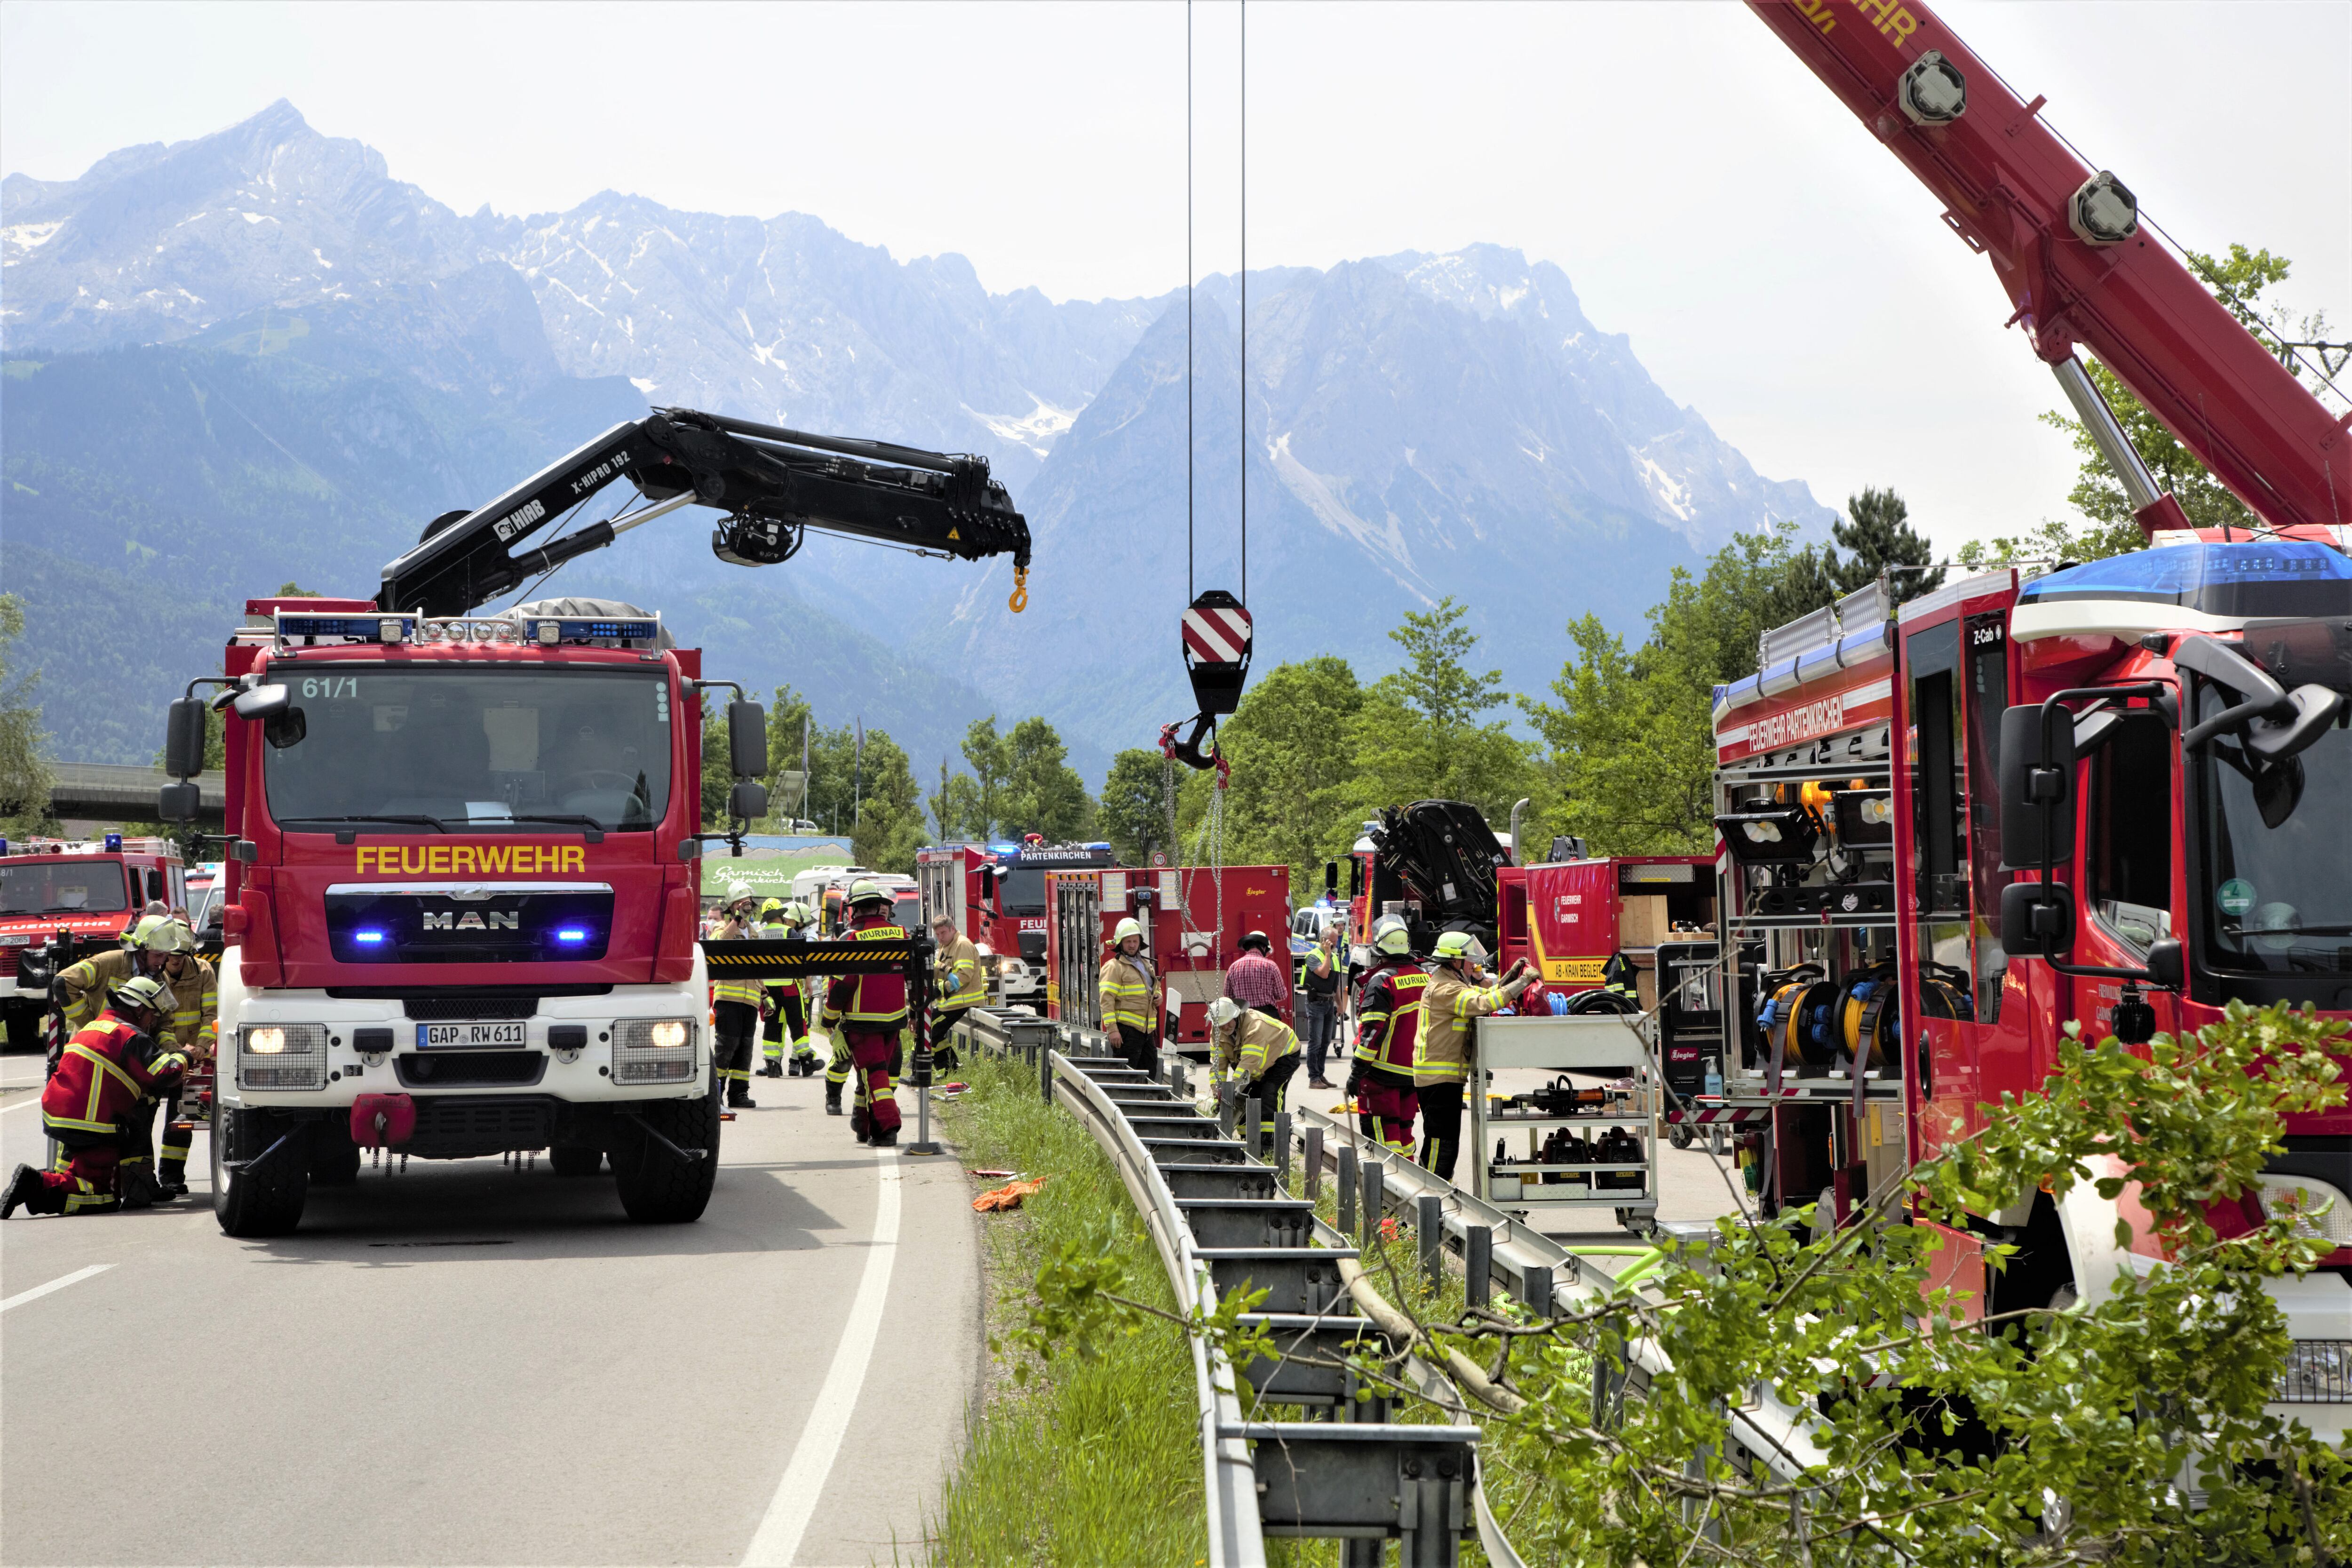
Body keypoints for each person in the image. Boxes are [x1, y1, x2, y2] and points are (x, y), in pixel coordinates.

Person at [5, 975, 185, 1218]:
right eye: (152, 1013)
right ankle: (37, 1183)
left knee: (79, 1174)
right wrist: (186, 1056)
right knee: (104, 1197)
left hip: (61, 1114)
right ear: (139, 1009)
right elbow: (164, 1072)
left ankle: (42, 1185)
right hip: (90, 1123)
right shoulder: (130, 1036)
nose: (152, 1020)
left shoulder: (94, 1026)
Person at [1415, 930, 1532, 1182]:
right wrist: (1523, 983)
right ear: (1454, 961)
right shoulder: (1446, 989)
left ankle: (1436, 1191)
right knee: (1441, 1144)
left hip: (1442, 1078)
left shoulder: (1452, 982)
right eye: (1469, 959)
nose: (1474, 965)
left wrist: (1511, 978)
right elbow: (1482, 1004)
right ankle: (1430, 1193)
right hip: (1439, 1079)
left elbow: (1482, 995)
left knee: (1445, 1143)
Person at [821, 879, 910, 1146]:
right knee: (869, 1075)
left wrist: (829, 1018)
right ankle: (863, 1125)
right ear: (878, 906)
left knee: (874, 1075)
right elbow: (911, 976)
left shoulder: (852, 938)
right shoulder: (901, 933)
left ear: (855, 909)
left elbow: (841, 985)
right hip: (894, 1020)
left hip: (862, 1022)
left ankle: (887, 1129)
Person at [1348, 914, 1428, 1159]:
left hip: (1382, 1074)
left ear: (1379, 950)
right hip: (1414, 1072)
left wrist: (1357, 1072)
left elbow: (1372, 1032)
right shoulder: (1425, 977)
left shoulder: (1382, 982)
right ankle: (1409, 1177)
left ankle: (1385, 1181)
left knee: (1383, 1135)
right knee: (1405, 1131)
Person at [149, 918, 216, 1197]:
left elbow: (211, 1014)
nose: (174, 960)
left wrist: (201, 1046)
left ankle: (171, 1177)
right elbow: (157, 1021)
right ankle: (142, 1179)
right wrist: (173, 1053)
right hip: (157, 1054)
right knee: (143, 1118)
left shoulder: (203, 971)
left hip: (191, 1058)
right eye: (170, 954)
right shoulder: (153, 974)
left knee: (181, 1119)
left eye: (180, 954)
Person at [1208, 995, 1300, 1143]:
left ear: (1236, 1016)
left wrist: (1230, 1092)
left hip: (1283, 1054)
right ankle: (1248, 1139)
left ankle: (1270, 1142)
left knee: (1270, 1094)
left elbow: (1248, 1065)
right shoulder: (1217, 1031)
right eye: (1220, 1025)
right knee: (1247, 1096)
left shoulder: (1255, 1026)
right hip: (1257, 1062)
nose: (1225, 1028)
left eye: (1227, 1022)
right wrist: (1217, 1093)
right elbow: (1218, 1066)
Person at [708, 883, 762, 1109]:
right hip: (728, 999)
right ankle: (716, 1094)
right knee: (726, 1047)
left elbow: (758, 966)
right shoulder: (721, 927)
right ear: (731, 906)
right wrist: (737, 920)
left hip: (751, 1000)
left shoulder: (753, 932)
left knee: (745, 1049)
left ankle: (739, 1094)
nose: (746, 905)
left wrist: (765, 994)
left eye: (748, 902)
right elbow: (717, 946)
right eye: (741, 902)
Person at [1097, 917, 1160, 1075]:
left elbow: (1153, 988)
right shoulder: (1114, 967)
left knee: (1150, 1074)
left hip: (1146, 1032)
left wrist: (1158, 997)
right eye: (1128, 942)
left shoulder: (1145, 965)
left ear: (1140, 943)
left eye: (1135, 941)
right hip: (1126, 1032)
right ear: (1120, 943)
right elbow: (1106, 1000)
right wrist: (1112, 1030)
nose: (1132, 945)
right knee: (1125, 1078)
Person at [929, 915, 985, 1074]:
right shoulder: (946, 946)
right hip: (952, 1003)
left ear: (953, 929)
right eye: (937, 934)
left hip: (964, 1001)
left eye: (943, 933)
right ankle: (951, 1067)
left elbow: (964, 976)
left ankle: (923, 1068)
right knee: (931, 1028)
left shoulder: (962, 945)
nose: (940, 938)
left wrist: (941, 989)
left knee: (932, 1029)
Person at [1299, 923, 1345, 1089]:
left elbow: (1335, 983)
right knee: (1316, 1042)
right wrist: (1327, 953)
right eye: (1333, 941)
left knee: (1326, 1042)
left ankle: (1320, 1074)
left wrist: (1340, 1003)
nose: (1336, 944)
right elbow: (1325, 974)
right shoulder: (1313, 956)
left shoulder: (1334, 957)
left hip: (1329, 1004)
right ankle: (1314, 1079)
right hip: (1316, 1003)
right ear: (1324, 941)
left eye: (1337, 941)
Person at [1223, 930, 1289, 1020]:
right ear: (1264, 947)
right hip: (1268, 1018)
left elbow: (1228, 996)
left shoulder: (1233, 967)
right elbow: (1282, 995)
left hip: (1243, 1018)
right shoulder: (1271, 966)